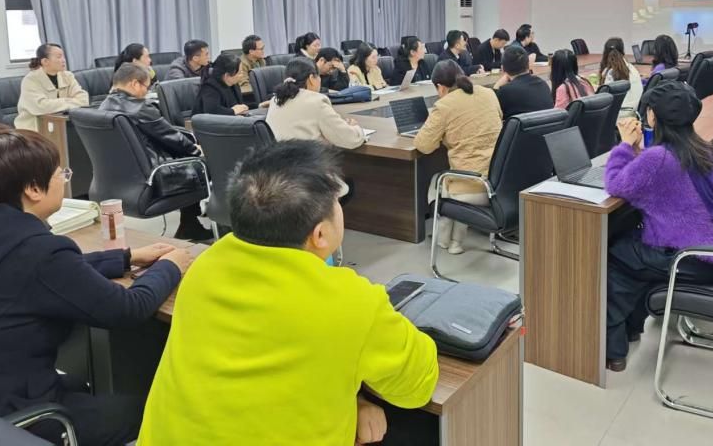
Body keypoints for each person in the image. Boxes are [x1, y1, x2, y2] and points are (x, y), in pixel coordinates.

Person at [138, 140, 439, 446]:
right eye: (337, 202)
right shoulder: (352, 302)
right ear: (320, 234)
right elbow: (418, 385)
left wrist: (356, 399)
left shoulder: (204, 268)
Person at [0, 124, 191, 446]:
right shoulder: (39, 251)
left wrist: (125, 257)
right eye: (60, 173)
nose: (65, 179)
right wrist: (171, 266)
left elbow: (42, 274)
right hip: (19, 415)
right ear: (33, 189)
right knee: (155, 408)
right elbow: (127, 309)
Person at [603, 81, 713, 372]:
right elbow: (654, 176)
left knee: (615, 256)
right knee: (633, 253)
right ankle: (630, 330)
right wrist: (638, 152)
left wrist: (625, 145)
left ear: (652, 116)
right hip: (710, 253)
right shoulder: (698, 148)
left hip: (688, 259)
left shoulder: (659, 158)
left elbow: (615, 183)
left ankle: (613, 349)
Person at [100, 64, 210, 242]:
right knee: (205, 164)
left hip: (121, 178)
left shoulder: (103, 106)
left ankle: (190, 225)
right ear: (135, 84)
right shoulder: (139, 108)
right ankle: (207, 224)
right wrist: (196, 150)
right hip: (153, 178)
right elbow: (171, 137)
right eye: (147, 86)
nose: (147, 92)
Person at [415, 61, 502, 255]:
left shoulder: (444, 105)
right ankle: (454, 241)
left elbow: (423, 145)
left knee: (438, 182)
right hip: (498, 181)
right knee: (454, 177)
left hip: (470, 187)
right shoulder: (489, 94)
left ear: (440, 87)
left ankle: (444, 239)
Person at [266, 57, 365, 150]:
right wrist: (354, 128)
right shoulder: (316, 101)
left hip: (277, 160)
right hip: (307, 160)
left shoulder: (275, 100)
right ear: (311, 78)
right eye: (318, 76)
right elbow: (349, 139)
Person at [14, 43, 89, 132]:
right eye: (59, 57)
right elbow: (42, 106)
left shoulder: (68, 76)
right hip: (34, 128)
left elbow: (84, 99)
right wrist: (70, 101)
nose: (63, 60)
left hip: (61, 125)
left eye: (63, 56)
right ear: (45, 61)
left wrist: (59, 104)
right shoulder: (31, 80)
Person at [493, 45, 554, 119]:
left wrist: (496, 87)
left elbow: (492, 113)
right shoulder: (543, 84)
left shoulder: (505, 91)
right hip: (550, 126)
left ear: (503, 69)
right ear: (528, 65)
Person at [599, 37, 643, 112]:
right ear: (623, 51)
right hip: (635, 110)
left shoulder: (609, 73)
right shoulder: (632, 68)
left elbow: (603, 100)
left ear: (605, 53)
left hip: (619, 114)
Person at [237, 35, 266, 102]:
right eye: (261, 49)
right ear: (251, 51)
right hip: (249, 97)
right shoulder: (241, 64)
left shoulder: (262, 61)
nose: (263, 51)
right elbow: (244, 84)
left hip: (261, 93)